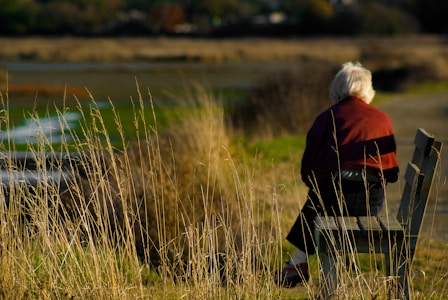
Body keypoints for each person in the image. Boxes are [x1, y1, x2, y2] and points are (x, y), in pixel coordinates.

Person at [275, 62, 399, 287]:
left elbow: (308, 173)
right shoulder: (382, 119)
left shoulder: (325, 119)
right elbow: (391, 173)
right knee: (322, 198)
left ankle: (298, 262)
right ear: (367, 89)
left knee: (319, 198)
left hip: (329, 203)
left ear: (336, 89)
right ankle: (298, 263)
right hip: (370, 205)